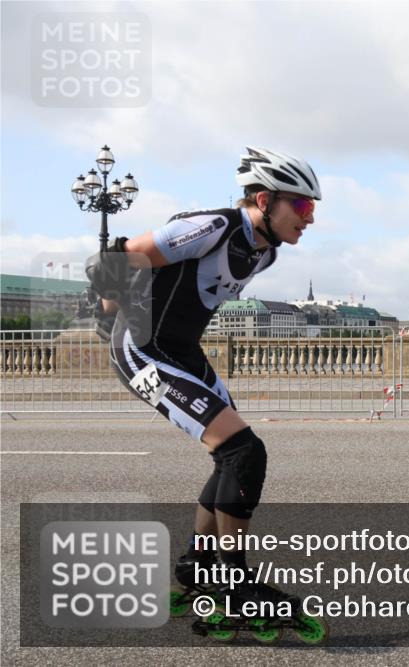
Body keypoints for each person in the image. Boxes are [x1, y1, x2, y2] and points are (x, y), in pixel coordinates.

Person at [85, 147, 321, 611]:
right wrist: (108, 315)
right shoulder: (215, 226)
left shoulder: (266, 252)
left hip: (183, 352)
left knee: (231, 457)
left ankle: (198, 565)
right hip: (143, 348)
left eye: (312, 208)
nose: (309, 218)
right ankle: (235, 584)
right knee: (242, 450)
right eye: (302, 205)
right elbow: (113, 259)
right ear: (262, 199)